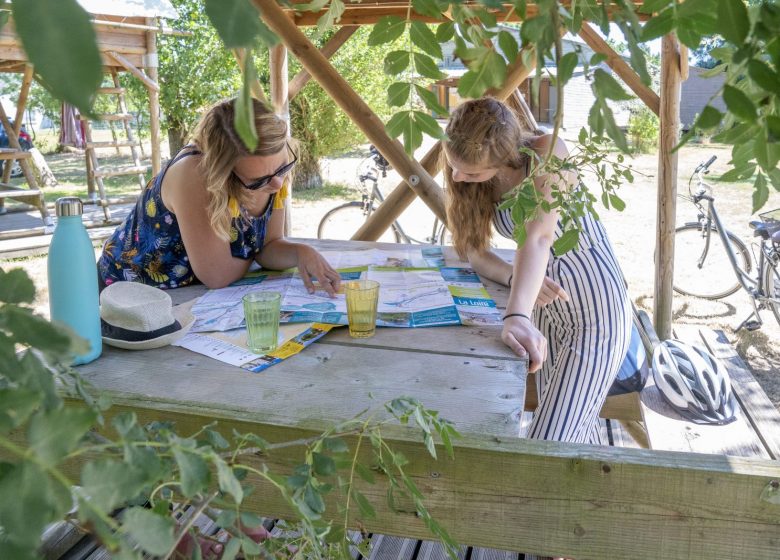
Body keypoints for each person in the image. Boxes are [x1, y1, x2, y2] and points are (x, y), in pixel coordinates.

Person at [442, 97, 632, 447]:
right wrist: (515, 280)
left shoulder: (548, 152)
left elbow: (539, 236)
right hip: (541, 312)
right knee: (573, 433)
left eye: (470, 173)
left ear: (505, 156)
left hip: (596, 312)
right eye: (454, 166)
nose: (457, 177)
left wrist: (515, 314)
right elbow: (474, 252)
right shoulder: (466, 169)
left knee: (548, 442)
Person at [98, 98, 340, 295]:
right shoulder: (194, 174)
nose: (277, 184)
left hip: (190, 295)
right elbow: (217, 274)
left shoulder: (270, 172)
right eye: (259, 181)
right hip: (128, 295)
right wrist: (256, 254)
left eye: (283, 168)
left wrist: (301, 252)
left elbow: (268, 246)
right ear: (223, 173)